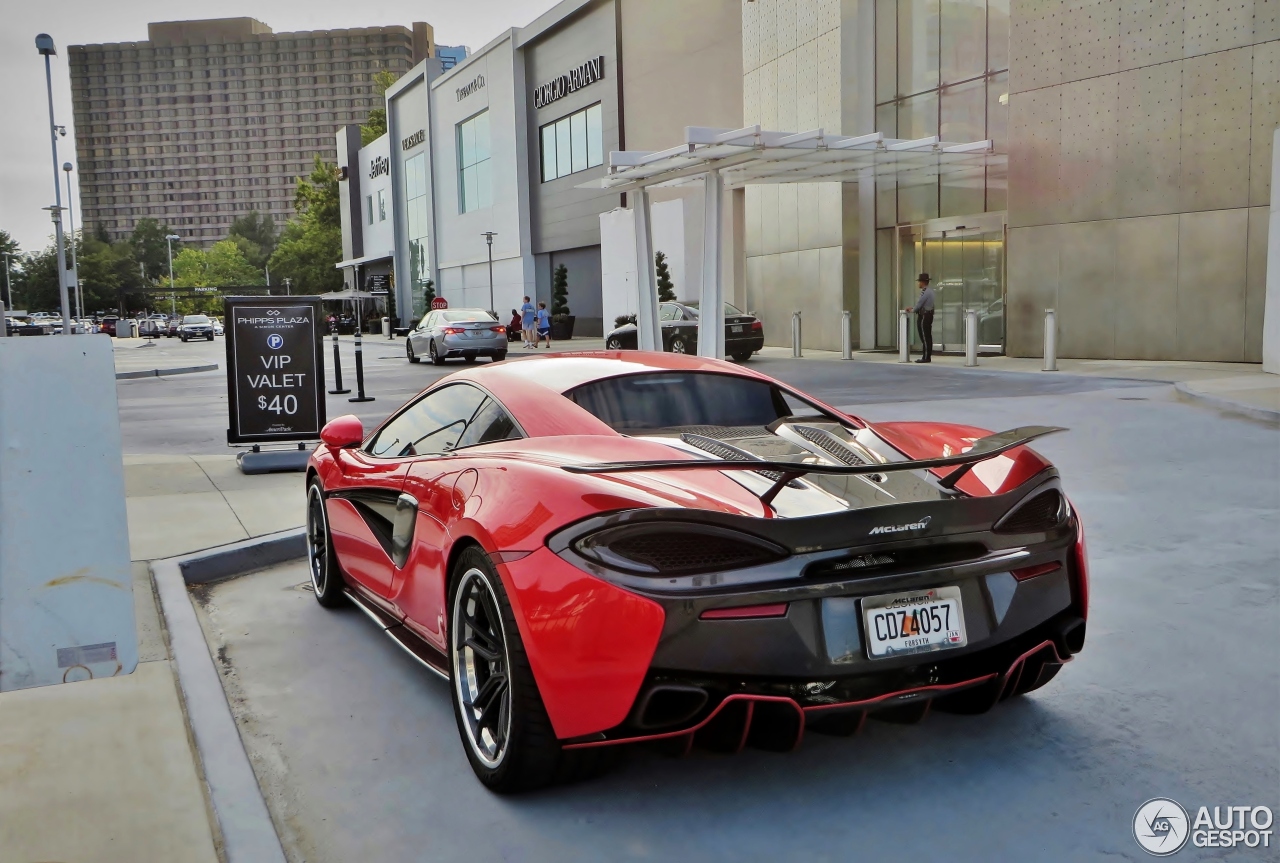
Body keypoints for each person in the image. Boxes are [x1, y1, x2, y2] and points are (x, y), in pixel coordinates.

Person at [910, 273, 935, 363]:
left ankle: (926, 357)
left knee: (925, 336)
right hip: (926, 314)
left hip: (925, 315)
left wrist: (912, 310)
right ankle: (926, 356)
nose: (918, 284)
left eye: (919, 282)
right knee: (927, 336)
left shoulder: (926, 292)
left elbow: (920, 303)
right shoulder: (929, 291)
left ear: (923, 282)